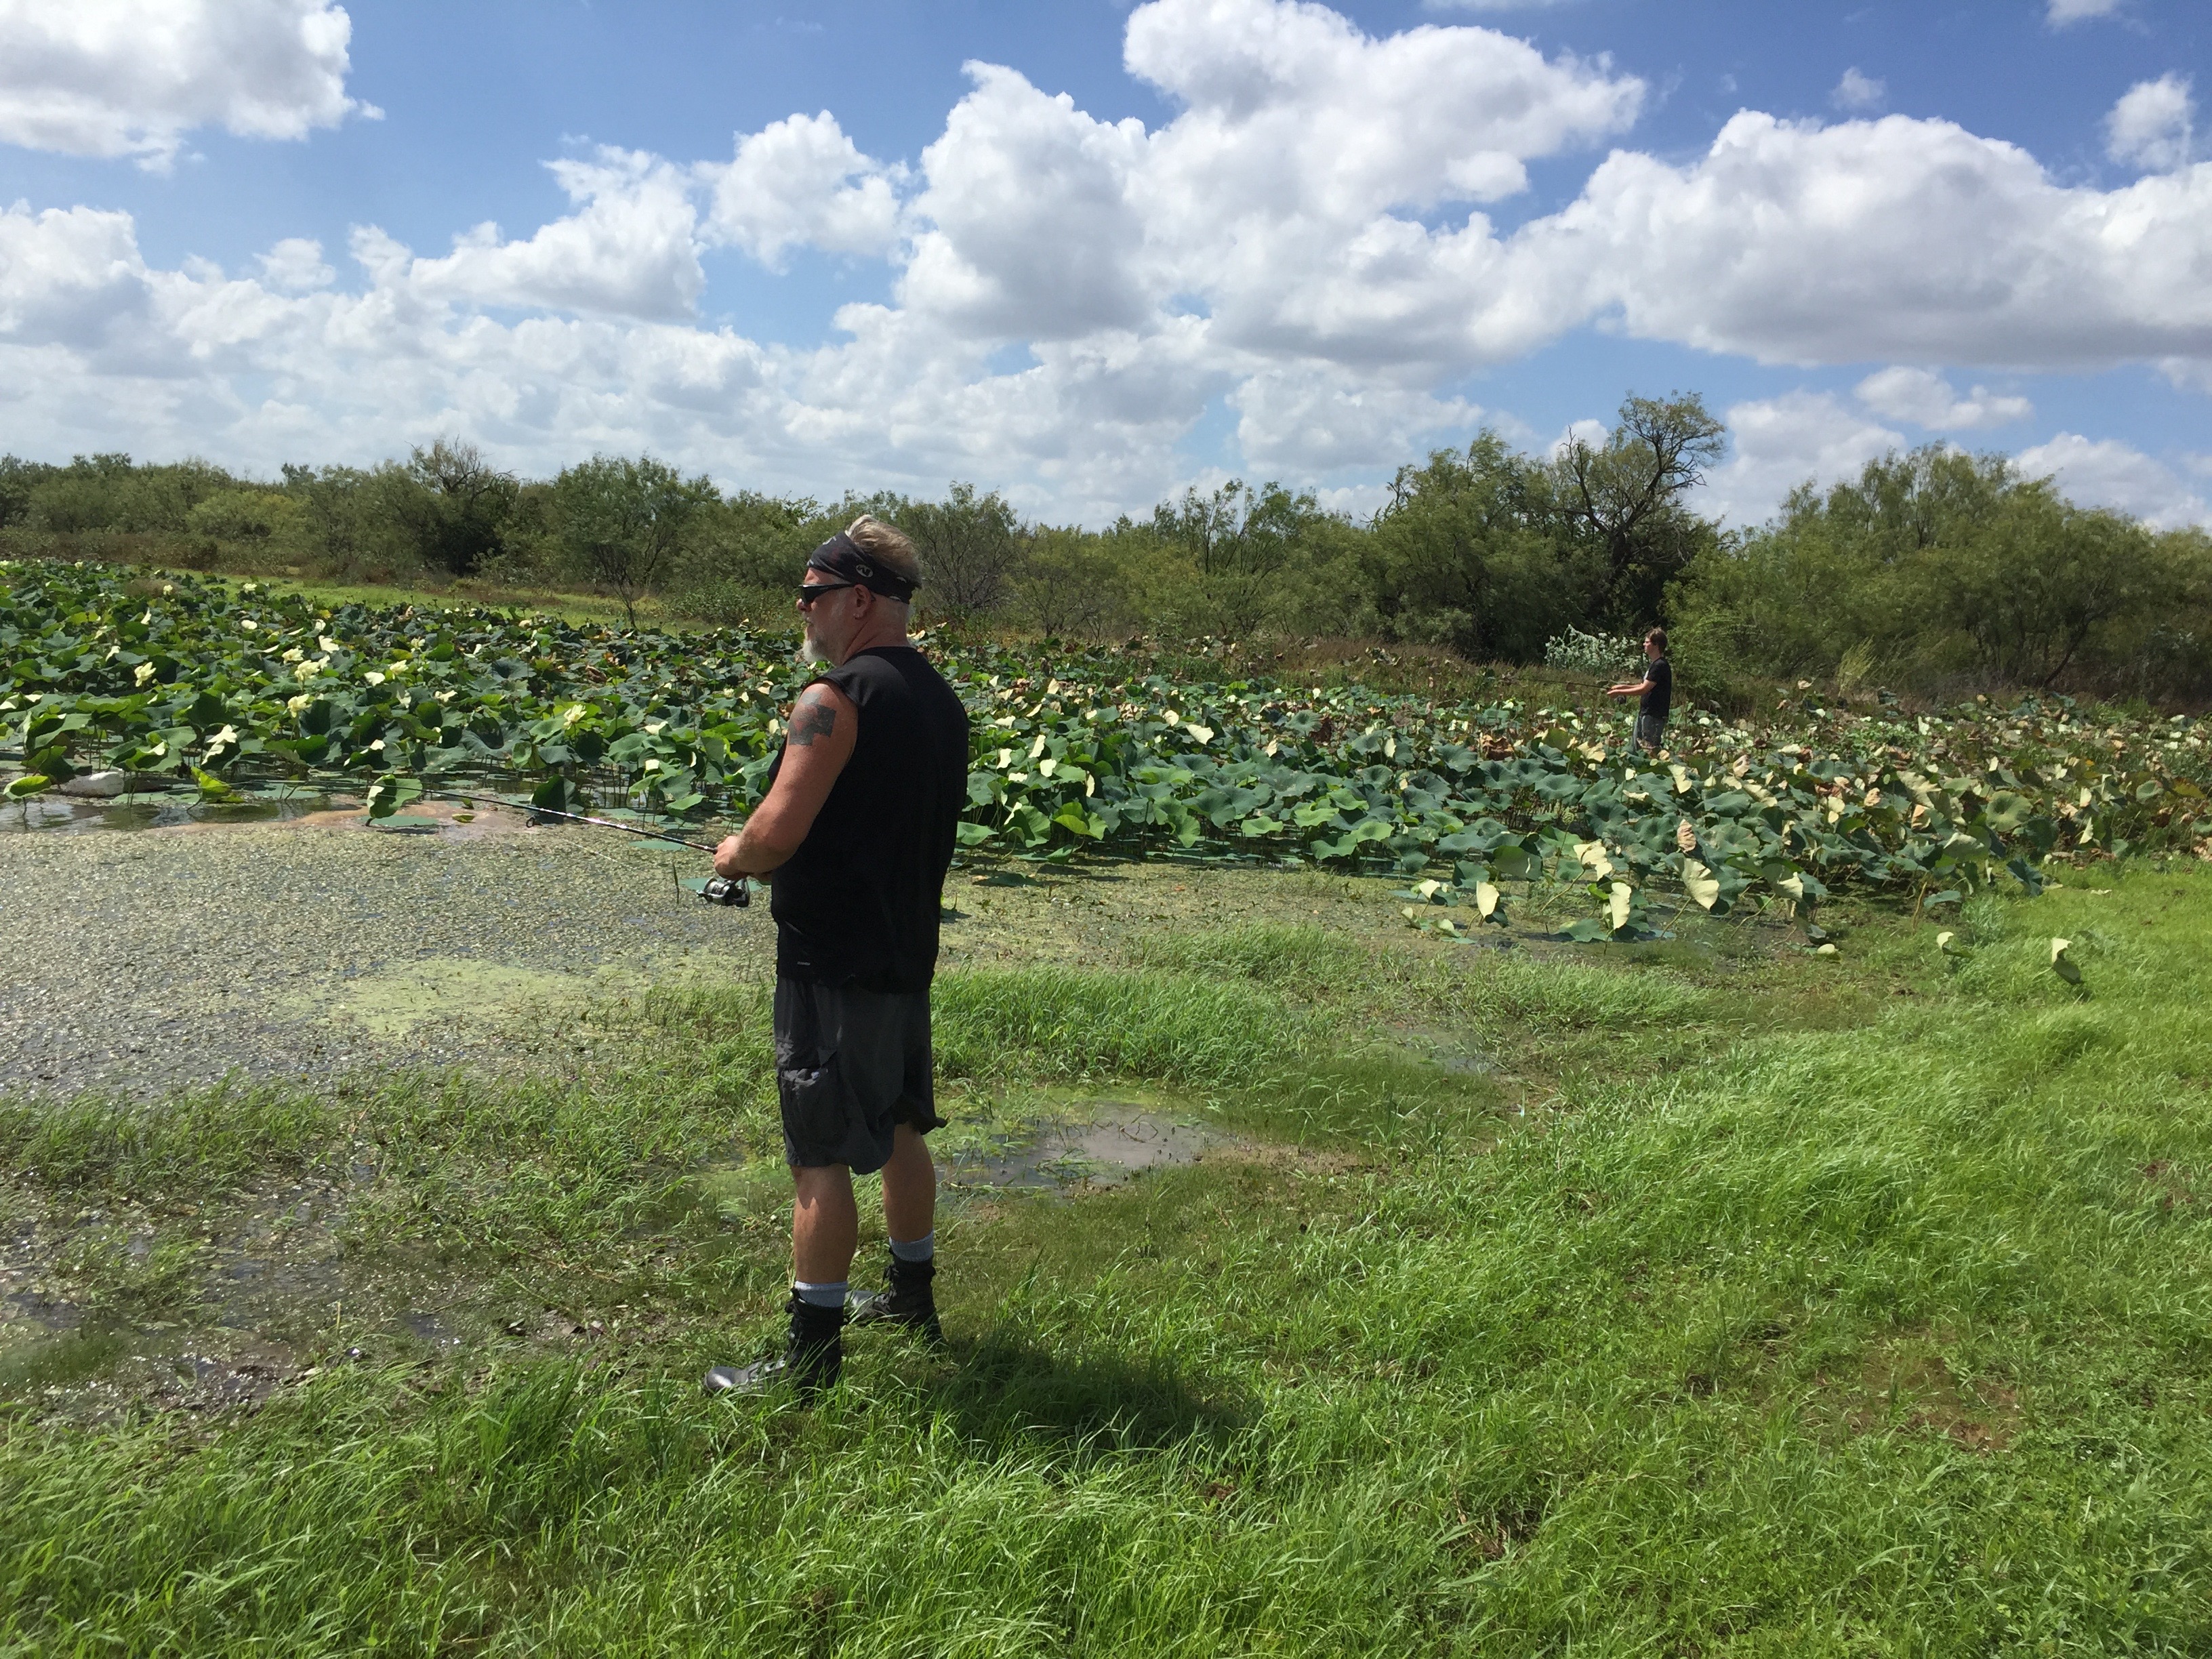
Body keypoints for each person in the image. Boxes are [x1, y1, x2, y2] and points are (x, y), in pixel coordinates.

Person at [702, 516, 970, 1399]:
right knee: (898, 1128)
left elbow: (775, 837)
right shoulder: (939, 701)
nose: (803, 612)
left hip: (831, 968)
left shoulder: (832, 701)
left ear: (858, 599)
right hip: (905, 957)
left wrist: (733, 853)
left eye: (812, 596)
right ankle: (910, 1300)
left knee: (816, 1156)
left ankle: (810, 1357)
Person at [1607, 628, 1673, 753]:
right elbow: (1642, 685)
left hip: (1654, 715)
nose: (1644, 644)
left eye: (1647, 642)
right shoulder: (1654, 665)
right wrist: (1620, 687)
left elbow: (1643, 689)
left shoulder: (1660, 666)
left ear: (1656, 645)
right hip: (1645, 713)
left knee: (1649, 750)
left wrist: (1619, 693)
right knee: (1637, 747)